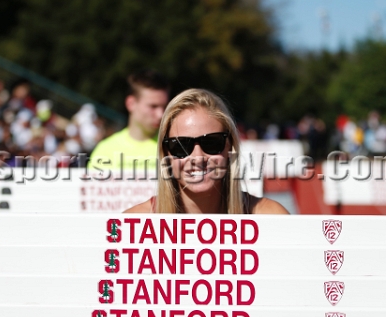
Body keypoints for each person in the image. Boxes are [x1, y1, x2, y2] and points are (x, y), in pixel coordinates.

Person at [125, 89, 289, 214]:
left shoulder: (270, 217)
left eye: (212, 143)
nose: (197, 157)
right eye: (181, 146)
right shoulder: (132, 224)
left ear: (229, 148)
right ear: (166, 154)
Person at [88, 69, 170, 174]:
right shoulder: (105, 151)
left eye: (165, 106)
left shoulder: (174, 149)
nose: (161, 114)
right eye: (153, 106)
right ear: (131, 104)